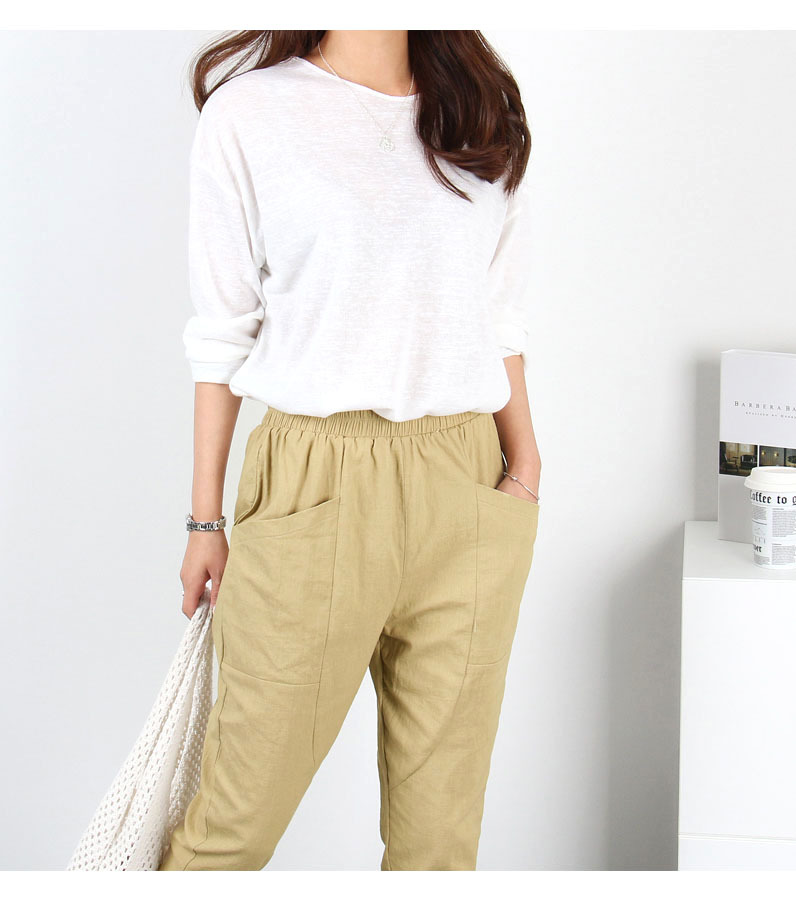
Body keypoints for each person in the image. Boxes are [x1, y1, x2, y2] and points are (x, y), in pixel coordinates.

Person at [158, 29, 542, 872]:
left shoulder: (480, 106)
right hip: (315, 482)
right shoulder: (251, 113)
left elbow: (496, 313)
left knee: (440, 845)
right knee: (232, 830)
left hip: (470, 482)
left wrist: (525, 468)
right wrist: (204, 520)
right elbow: (221, 334)